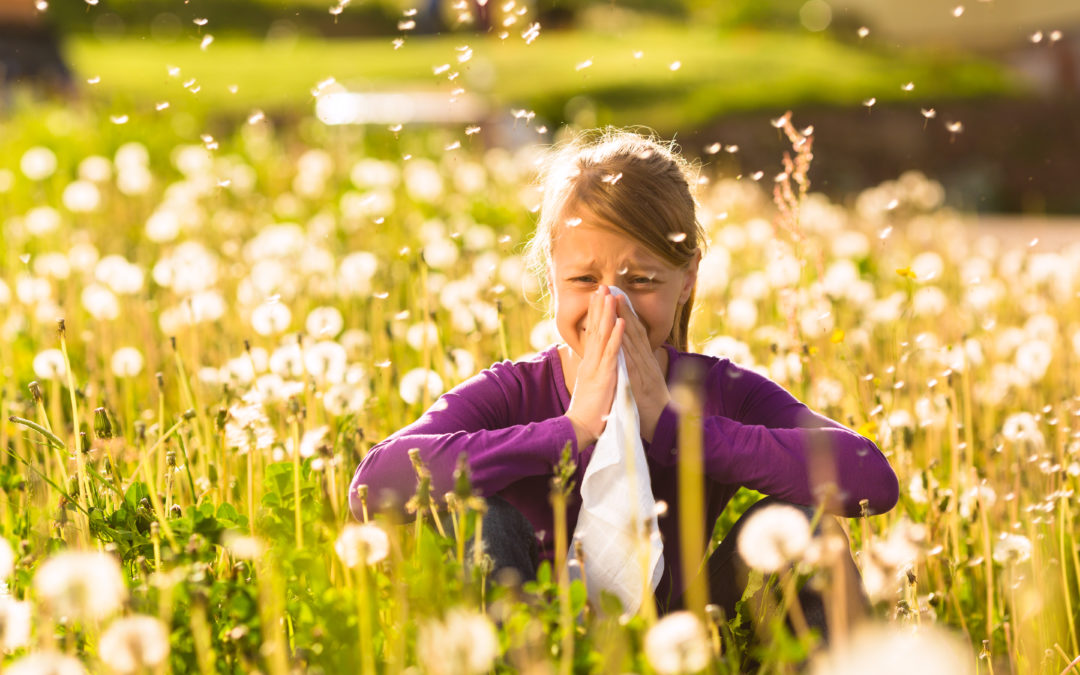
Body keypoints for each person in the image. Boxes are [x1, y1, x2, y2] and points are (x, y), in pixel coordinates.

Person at [348, 129, 899, 625]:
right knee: (480, 519)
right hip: (533, 633)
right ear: (552, 278)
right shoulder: (516, 390)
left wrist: (679, 429)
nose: (611, 305)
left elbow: (871, 479)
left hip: (687, 632)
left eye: (640, 280)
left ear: (687, 280)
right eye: (585, 279)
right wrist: (571, 430)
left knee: (806, 526)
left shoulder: (716, 391)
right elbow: (373, 487)